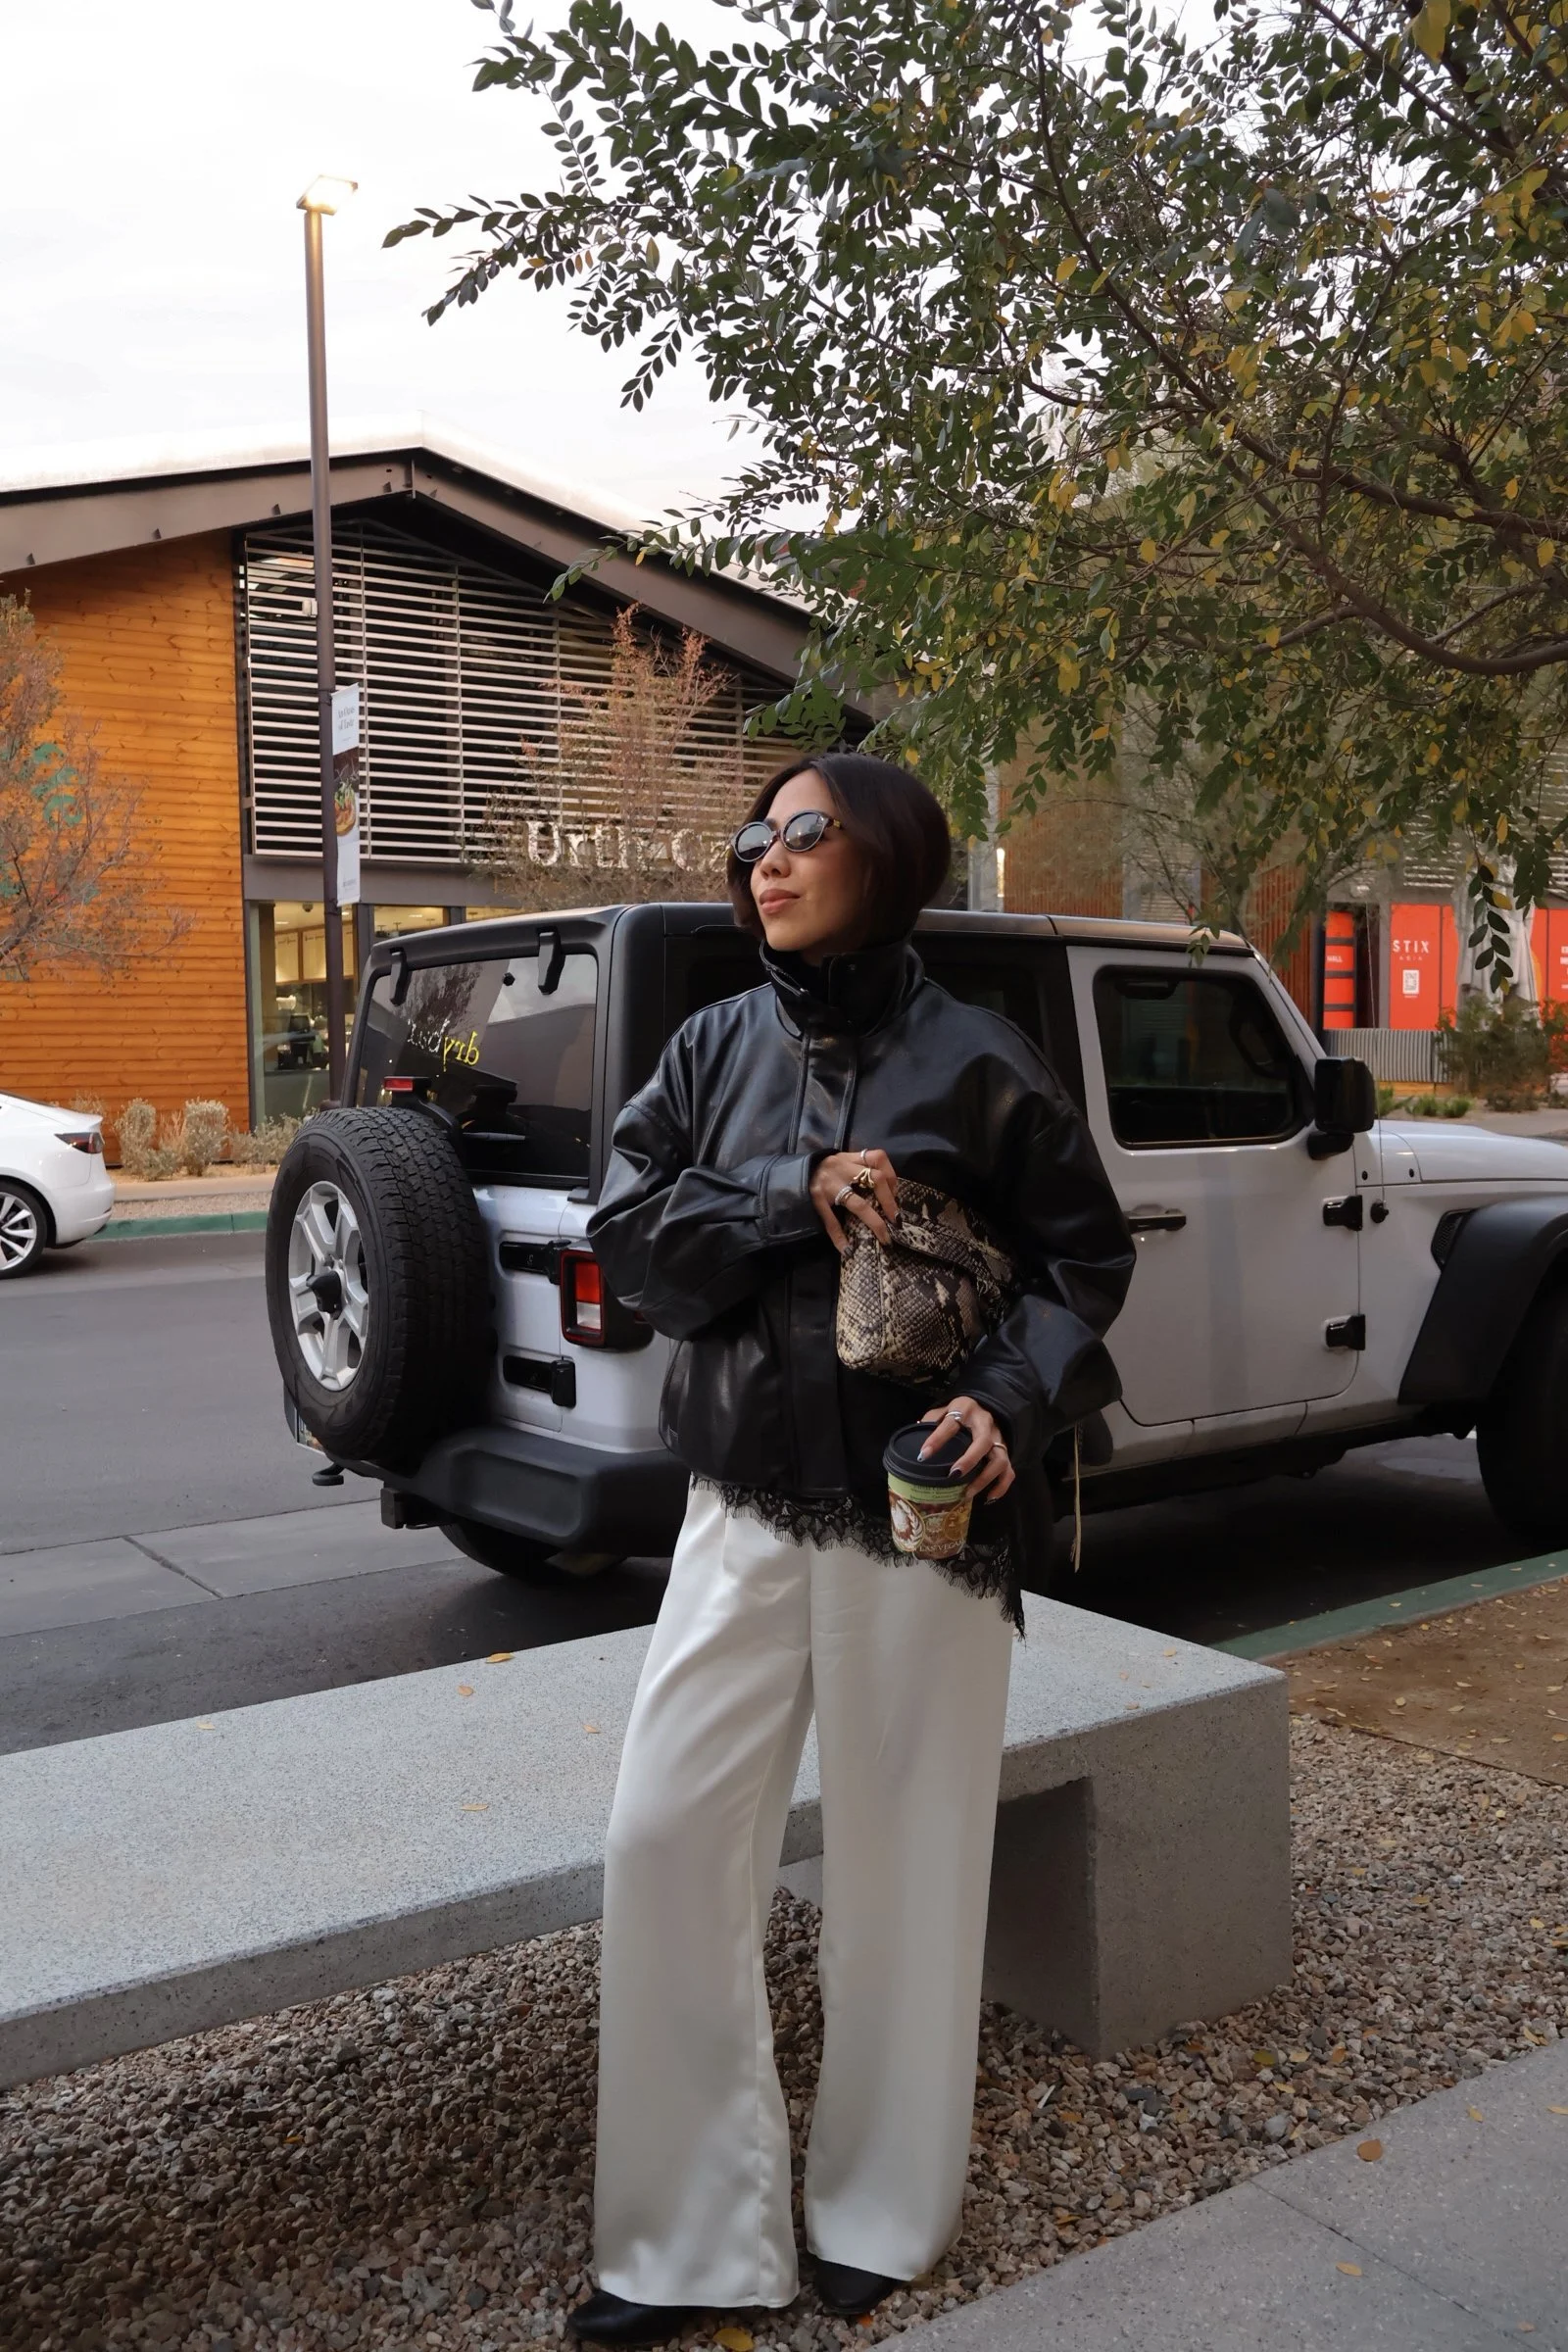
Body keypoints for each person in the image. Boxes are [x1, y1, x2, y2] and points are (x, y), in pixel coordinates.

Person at [569, 754, 1135, 2346]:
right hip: (742, 1504)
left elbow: (1085, 1260)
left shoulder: (980, 1059)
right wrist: (783, 1195)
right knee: (665, 1837)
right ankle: (690, 2236)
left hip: (920, 1516)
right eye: (756, 834)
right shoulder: (709, 1049)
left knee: (909, 1859)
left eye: (803, 832)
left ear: (885, 856)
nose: (766, 856)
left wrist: (1011, 1398)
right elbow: (629, 1239)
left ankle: (883, 2208)